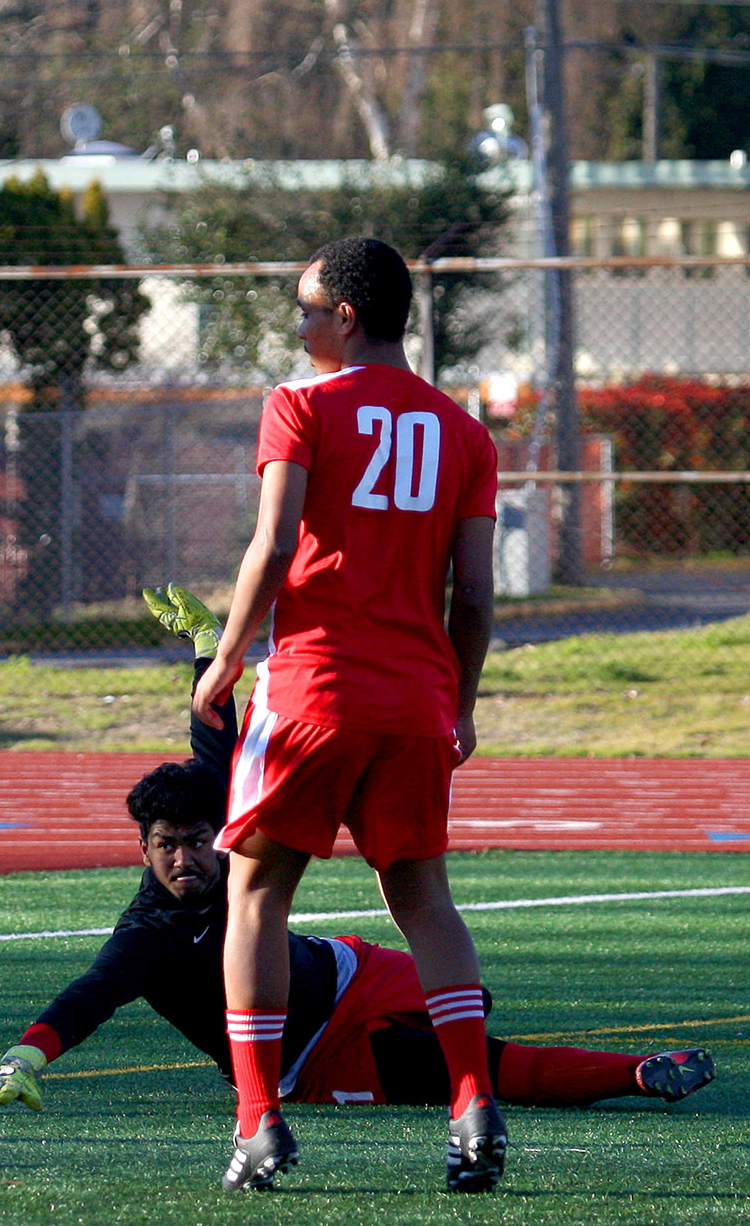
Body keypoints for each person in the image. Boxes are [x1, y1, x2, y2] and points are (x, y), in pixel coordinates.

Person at [0, 646, 716, 1148]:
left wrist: (205, 654)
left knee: (468, 997)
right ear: (143, 850)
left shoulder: (227, 844)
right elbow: (90, 994)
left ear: (220, 833)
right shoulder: (149, 931)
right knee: (468, 1065)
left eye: (197, 840)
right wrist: (27, 1055)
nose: (186, 858)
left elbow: (214, 752)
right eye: (167, 846)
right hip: (317, 1054)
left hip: (351, 969)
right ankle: (638, 1073)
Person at [188, 236, 506, 1191]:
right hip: (414, 699)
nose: (299, 325)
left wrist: (231, 653)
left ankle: (258, 1122)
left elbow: (275, 542)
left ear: (347, 316)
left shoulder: (299, 405)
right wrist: (461, 699)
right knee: (425, 902)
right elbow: (478, 596)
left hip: (314, 691)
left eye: (307, 309)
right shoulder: (465, 432)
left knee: (256, 896)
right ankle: (473, 1103)